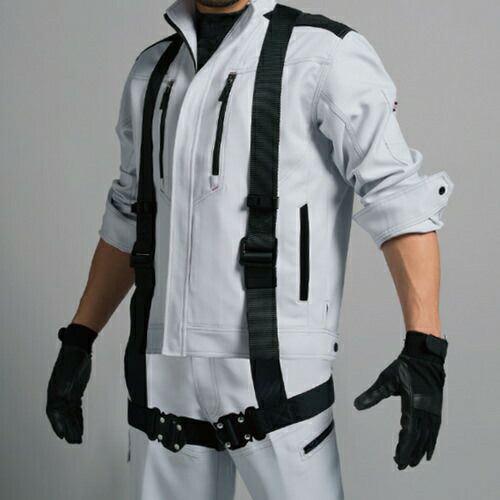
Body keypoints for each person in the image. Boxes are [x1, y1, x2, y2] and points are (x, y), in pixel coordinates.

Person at [46, 0, 453, 498]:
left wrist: (424, 347)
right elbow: (131, 216)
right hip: (162, 370)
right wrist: (79, 338)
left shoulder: (325, 54)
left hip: (279, 371)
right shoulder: (151, 71)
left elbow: (398, 195)